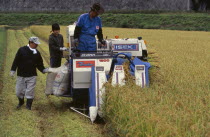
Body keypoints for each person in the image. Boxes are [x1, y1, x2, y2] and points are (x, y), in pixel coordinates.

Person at [10, 37, 49, 110]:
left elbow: (39, 64)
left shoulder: (37, 53)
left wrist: (43, 70)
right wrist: (13, 70)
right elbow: (16, 61)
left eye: (37, 44)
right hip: (21, 74)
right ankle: (21, 102)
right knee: (19, 92)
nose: (37, 45)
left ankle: (28, 106)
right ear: (31, 42)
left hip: (32, 75)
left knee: (30, 91)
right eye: (35, 44)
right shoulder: (21, 50)